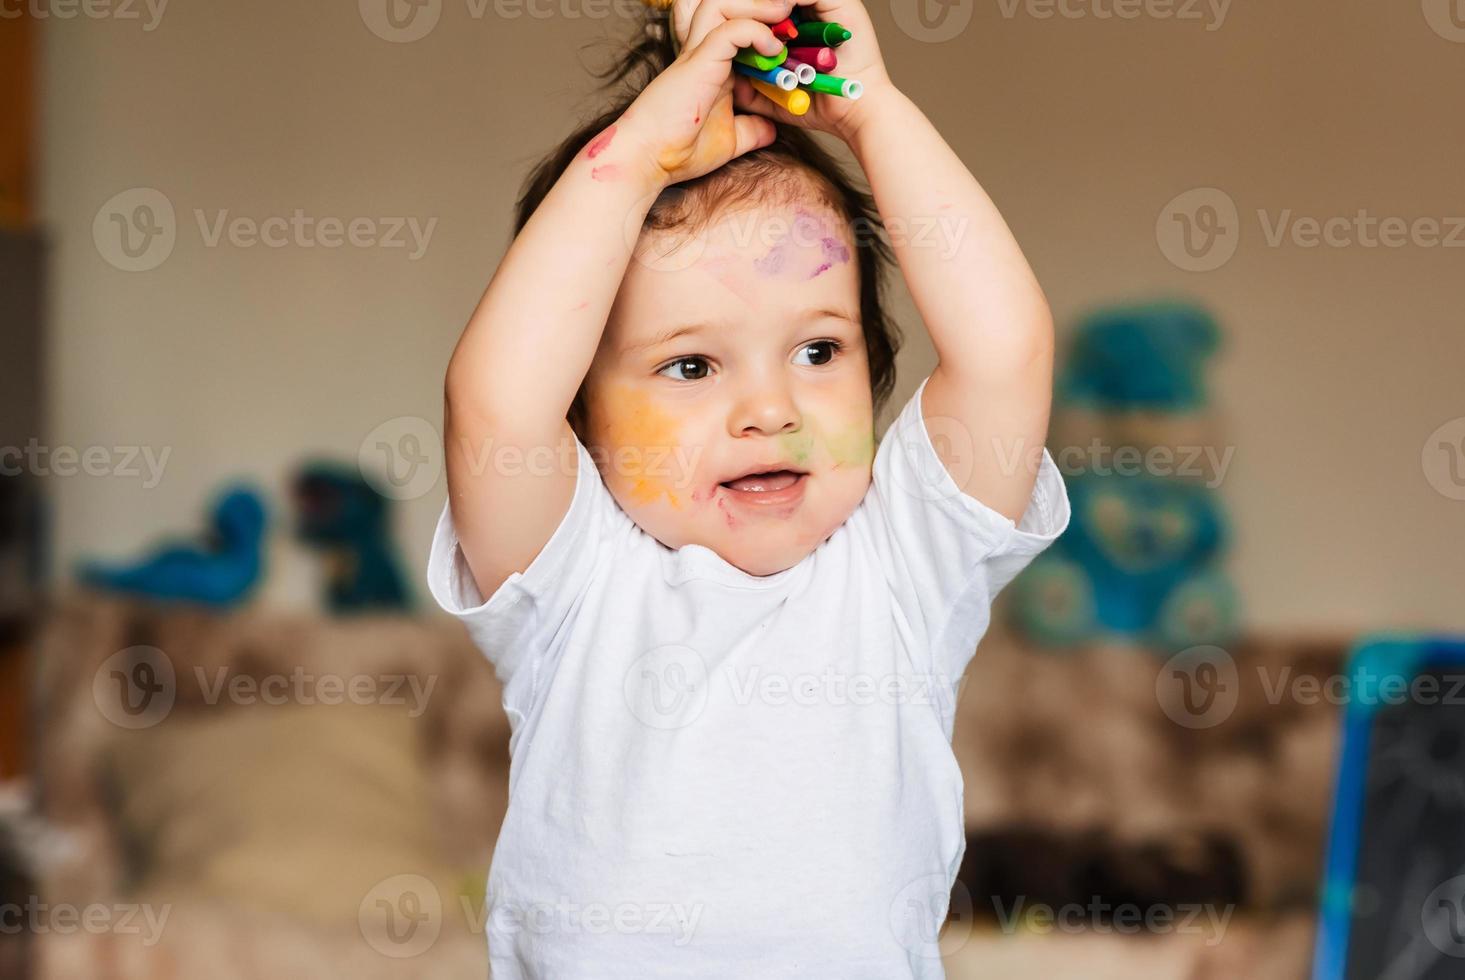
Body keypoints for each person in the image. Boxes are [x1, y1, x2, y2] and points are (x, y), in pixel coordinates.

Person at [426, 0, 1071, 973]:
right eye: (691, 366)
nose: (768, 409)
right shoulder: (570, 586)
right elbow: (493, 404)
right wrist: (633, 157)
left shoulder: (902, 566)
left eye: (817, 348)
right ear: (581, 415)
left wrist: (873, 111)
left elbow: (1003, 353)